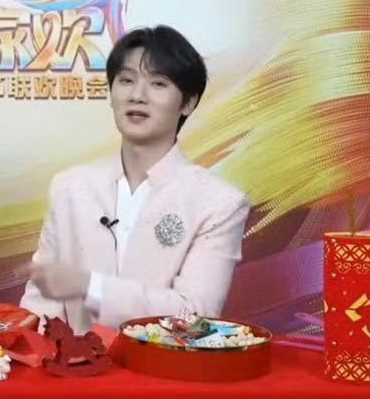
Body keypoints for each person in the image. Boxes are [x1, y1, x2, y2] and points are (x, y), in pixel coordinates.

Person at [22, 23, 249, 334]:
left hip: (161, 363)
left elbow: (197, 316)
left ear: (188, 102)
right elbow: (39, 309)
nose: (137, 95)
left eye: (158, 83)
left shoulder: (219, 203)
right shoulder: (71, 187)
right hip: (72, 362)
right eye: (126, 80)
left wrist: (89, 287)